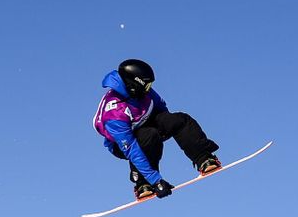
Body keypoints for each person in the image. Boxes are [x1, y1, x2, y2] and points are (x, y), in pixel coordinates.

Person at [92, 59, 222, 200]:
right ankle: (143, 184)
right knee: (148, 136)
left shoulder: (144, 92)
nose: (149, 88)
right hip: (123, 144)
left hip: (147, 123)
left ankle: (204, 158)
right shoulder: (114, 113)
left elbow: (162, 110)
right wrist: (156, 181)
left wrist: (173, 129)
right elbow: (130, 148)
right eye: (147, 85)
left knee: (179, 120)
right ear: (134, 85)